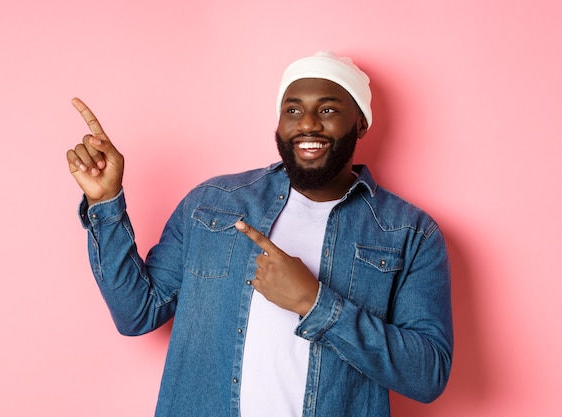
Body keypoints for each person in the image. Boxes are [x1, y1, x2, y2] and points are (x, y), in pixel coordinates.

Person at [66, 51, 453, 417]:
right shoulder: (212, 204)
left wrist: (314, 302)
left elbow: (428, 374)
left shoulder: (411, 233)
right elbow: (138, 313)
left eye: (329, 109)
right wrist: (106, 202)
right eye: (293, 109)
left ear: (361, 123)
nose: (307, 123)